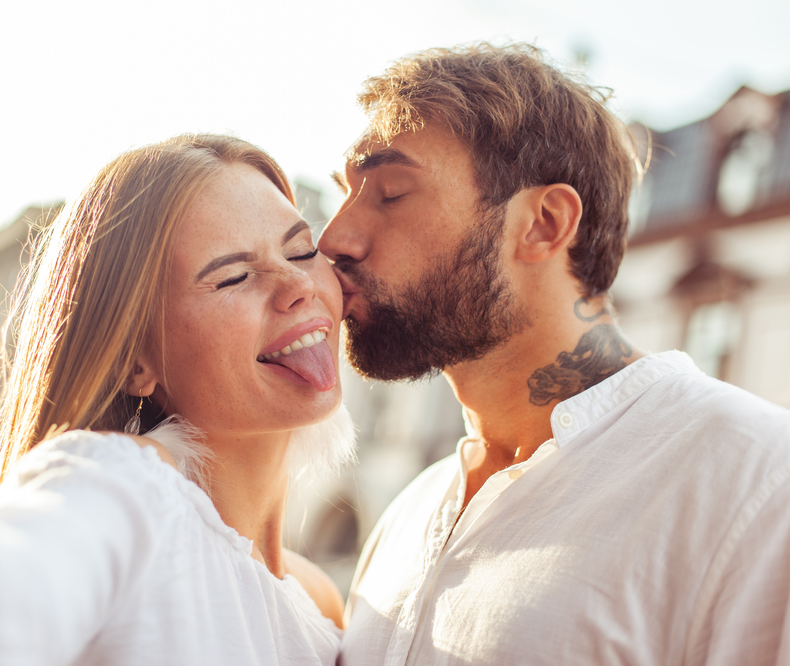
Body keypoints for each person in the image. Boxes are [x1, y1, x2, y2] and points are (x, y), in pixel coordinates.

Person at [0, 134, 356, 665]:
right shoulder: (126, 494)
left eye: (302, 250)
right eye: (233, 277)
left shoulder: (321, 602)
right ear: (138, 363)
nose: (299, 285)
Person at [318, 42, 790, 665]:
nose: (334, 239)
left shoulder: (758, 489)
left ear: (543, 223)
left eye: (392, 192)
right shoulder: (409, 516)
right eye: (345, 194)